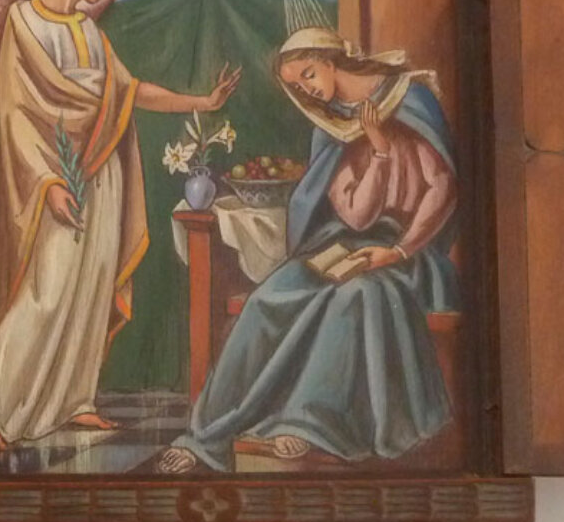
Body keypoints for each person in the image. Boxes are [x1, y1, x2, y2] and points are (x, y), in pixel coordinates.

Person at [0, 0, 239, 455]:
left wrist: (201, 102)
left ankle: (73, 399)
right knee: (41, 292)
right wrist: (48, 183)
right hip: (52, 176)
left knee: (88, 288)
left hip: (103, 173)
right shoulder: (22, 21)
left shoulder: (89, 30)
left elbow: (129, 92)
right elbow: (18, 115)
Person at [158, 26, 457, 474]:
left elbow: (442, 187)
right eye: (297, 86)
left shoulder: (410, 99)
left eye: (309, 74)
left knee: (357, 296)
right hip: (343, 245)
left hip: (411, 254)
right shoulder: (332, 126)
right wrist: (378, 153)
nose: (307, 90)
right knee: (269, 298)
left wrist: (396, 252)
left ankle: (308, 421)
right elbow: (356, 217)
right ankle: (206, 434)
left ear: (331, 60)